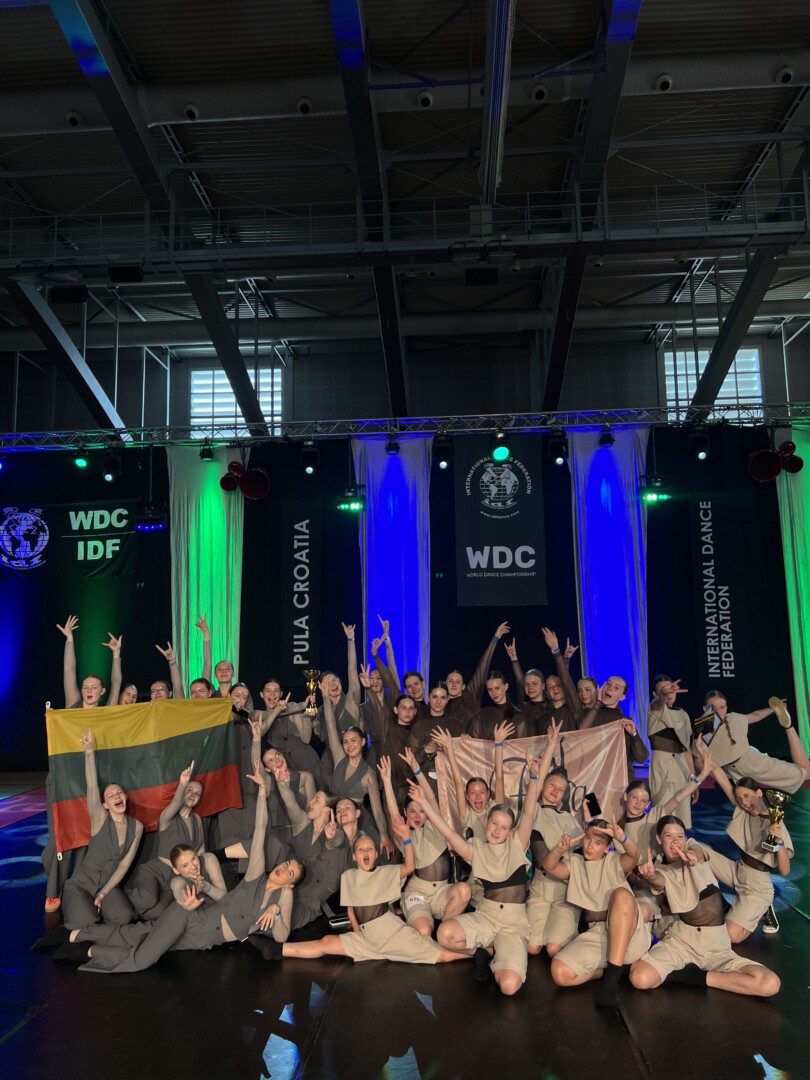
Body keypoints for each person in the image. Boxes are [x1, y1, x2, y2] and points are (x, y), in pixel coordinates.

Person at [62, 760, 303, 972]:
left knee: (145, 934)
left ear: (290, 884)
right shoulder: (255, 875)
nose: (283, 868)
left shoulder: (282, 898)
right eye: (286, 863)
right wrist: (262, 791)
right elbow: (260, 830)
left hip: (203, 938)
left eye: (290, 872)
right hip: (193, 916)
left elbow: (282, 935)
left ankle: (81, 938)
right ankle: (87, 949)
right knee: (144, 958)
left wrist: (276, 910)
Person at [412, 732, 557, 995]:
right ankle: (485, 950)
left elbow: (528, 810)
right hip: (486, 915)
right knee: (444, 934)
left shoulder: (517, 844)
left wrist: (535, 778)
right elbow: (447, 832)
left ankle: (497, 953)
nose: (497, 830)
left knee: (509, 987)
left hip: (512, 923)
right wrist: (423, 802)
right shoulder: (476, 849)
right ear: (487, 823)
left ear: (510, 831)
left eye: (503, 827)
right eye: (493, 824)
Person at [277, 818, 470, 966]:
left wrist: (406, 838)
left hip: (391, 935)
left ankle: (476, 954)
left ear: (376, 854)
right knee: (326, 942)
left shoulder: (384, 873)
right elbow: (351, 909)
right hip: (366, 937)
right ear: (354, 856)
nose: (365, 852)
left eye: (370, 849)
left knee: (441, 955)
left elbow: (410, 867)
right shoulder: (348, 876)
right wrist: (357, 933)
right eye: (361, 850)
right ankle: (278, 950)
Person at [629, 817, 780, 998]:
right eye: (669, 836)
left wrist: (693, 856)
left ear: (686, 838)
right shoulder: (661, 869)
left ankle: (693, 977)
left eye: (680, 836)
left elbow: (697, 852)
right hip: (682, 941)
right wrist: (651, 876)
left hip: (717, 946)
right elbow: (659, 881)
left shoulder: (693, 847)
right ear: (659, 839)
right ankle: (687, 972)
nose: (675, 841)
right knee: (640, 978)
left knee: (770, 983)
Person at [43, 617, 118, 912]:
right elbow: (69, 671)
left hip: (91, 782)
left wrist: (116, 656)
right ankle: (54, 889)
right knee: (60, 837)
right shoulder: (73, 704)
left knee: (88, 838)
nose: (88, 690)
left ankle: (82, 886)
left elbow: (117, 683)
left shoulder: (107, 712)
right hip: (63, 781)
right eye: (86, 686)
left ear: (101, 692)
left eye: (94, 687)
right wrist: (70, 641)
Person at [543, 817, 650, 1007]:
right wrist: (559, 849)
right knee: (559, 972)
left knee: (622, 895)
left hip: (629, 934)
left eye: (598, 843)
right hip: (598, 934)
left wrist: (623, 838)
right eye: (588, 839)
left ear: (607, 848)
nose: (590, 846)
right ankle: (613, 970)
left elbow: (634, 855)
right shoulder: (575, 863)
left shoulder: (614, 861)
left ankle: (610, 984)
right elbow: (550, 867)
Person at [697, 742, 793, 941]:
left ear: (759, 793)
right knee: (693, 849)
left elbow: (785, 870)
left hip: (757, 886)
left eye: (747, 796)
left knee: (732, 935)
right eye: (740, 799)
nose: (744, 802)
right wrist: (701, 749)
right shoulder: (743, 809)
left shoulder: (775, 821)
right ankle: (720, 902)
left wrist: (780, 842)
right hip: (737, 870)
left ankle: (764, 907)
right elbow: (719, 775)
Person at [378, 751, 470, 938]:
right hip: (418, 892)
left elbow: (431, 798)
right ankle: (415, 918)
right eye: (412, 811)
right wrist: (386, 781)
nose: (417, 815)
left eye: (421, 811)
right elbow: (393, 813)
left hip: (442, 891)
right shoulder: (404, 833)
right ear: (405, 812)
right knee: (423, 930)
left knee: (464, 890)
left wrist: (416, 768)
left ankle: (445, 933)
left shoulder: (435, 826)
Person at [60, 730, 143, 931]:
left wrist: (104, 893)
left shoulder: (137, 827)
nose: (117, 796)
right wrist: (89, 753)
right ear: (105, 805)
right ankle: (85, 914)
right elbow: (92, 786)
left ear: (126, 797)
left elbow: (123, 867)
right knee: (86, 921)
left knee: (124, 916)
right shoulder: (99, 819)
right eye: (111, 795)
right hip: (81, 884)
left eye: (119, 793)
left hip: (107, 885)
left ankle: (100, 916)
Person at [125, 760, 220, 920]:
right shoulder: (167, 817)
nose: (193, 795)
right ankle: (119, 901)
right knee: (147, 900)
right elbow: (176, 803)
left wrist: (198, 875)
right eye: (190, 790)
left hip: (177, 876)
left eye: (197, 794)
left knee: (157, 913)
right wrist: (182, 784)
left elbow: (200, 852)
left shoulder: (197, 819)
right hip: (156, 871)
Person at [322, 695, 392, 856]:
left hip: (357, 821)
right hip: (333, 816)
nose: (349, 745)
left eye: (353, 741)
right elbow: (331, 726)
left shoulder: (368, 775)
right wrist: (325, 697)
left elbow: (377, 810)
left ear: (362, 742)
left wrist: (383, 835)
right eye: (346, 742)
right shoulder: (339, 757)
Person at [700, 692, 809, 794]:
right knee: (747, 801)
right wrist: (718, 775)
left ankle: (789, 726)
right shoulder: (703, 726)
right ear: (705, 709)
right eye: (713, 708)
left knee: (806, 773)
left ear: (726, 708)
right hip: (734, 771)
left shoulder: (732, 718)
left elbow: (756, 716)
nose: (718, 711)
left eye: (722, 707)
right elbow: (698, 760)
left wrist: (773, 709)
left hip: (751, 762)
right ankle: (789, 726)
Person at [444, 622, 511, 733]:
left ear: (463, 686)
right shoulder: (440, 704)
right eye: (450, 681)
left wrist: (495, 639)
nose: (454, 684)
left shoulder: (469, 696)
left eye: (458, 682)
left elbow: (482, 668)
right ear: (445, 684)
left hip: (474, 742)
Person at [647, 676, 696, 827]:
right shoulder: (654, 710)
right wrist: (663, 694)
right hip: (662, 765)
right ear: (655, 693)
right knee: (663, 813)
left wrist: (693, 778)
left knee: (683, 815)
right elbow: (657, 704)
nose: (669, 693)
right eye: (664, 690)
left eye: (671, 689)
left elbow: (686, 748)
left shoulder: (683, 714)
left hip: (681, 766)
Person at [468, 671, 522, 741]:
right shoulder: (482, 714)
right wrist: (467, 737)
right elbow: (474, 743)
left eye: (497, 688)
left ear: (506, 687)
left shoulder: (517, 716)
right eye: (490, 690)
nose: (494, 693)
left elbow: (522, 745)